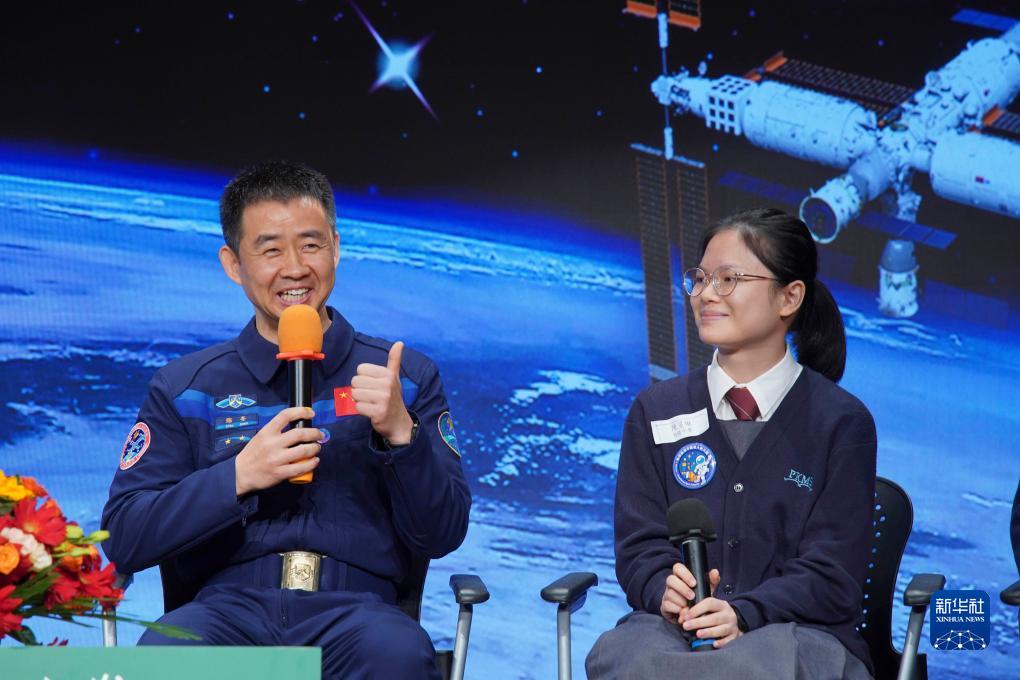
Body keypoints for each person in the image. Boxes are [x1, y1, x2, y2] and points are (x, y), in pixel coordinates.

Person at [101, 160, 470, 679]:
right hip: (222, 613)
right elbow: (123, 536)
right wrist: (238, 477)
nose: (295, 268)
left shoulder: (402, 377)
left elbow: (444, 533)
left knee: (398, 655)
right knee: (166, 659)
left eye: (311, 245)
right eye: (271, 250)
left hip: (360, 616)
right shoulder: (185, 387)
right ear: (234, 264)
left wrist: (401, 435)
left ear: (335, 248)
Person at [587, 208, 877, 679]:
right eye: (700, 279)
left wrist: (743, 613)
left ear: (789, 297)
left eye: (728, 279)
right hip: (676, 634)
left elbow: (833, 574)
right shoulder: (655, 409)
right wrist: (663, 588)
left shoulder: (840, 422)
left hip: (796, 636)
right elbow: (641, 547)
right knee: (624, 655)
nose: (705, 294)